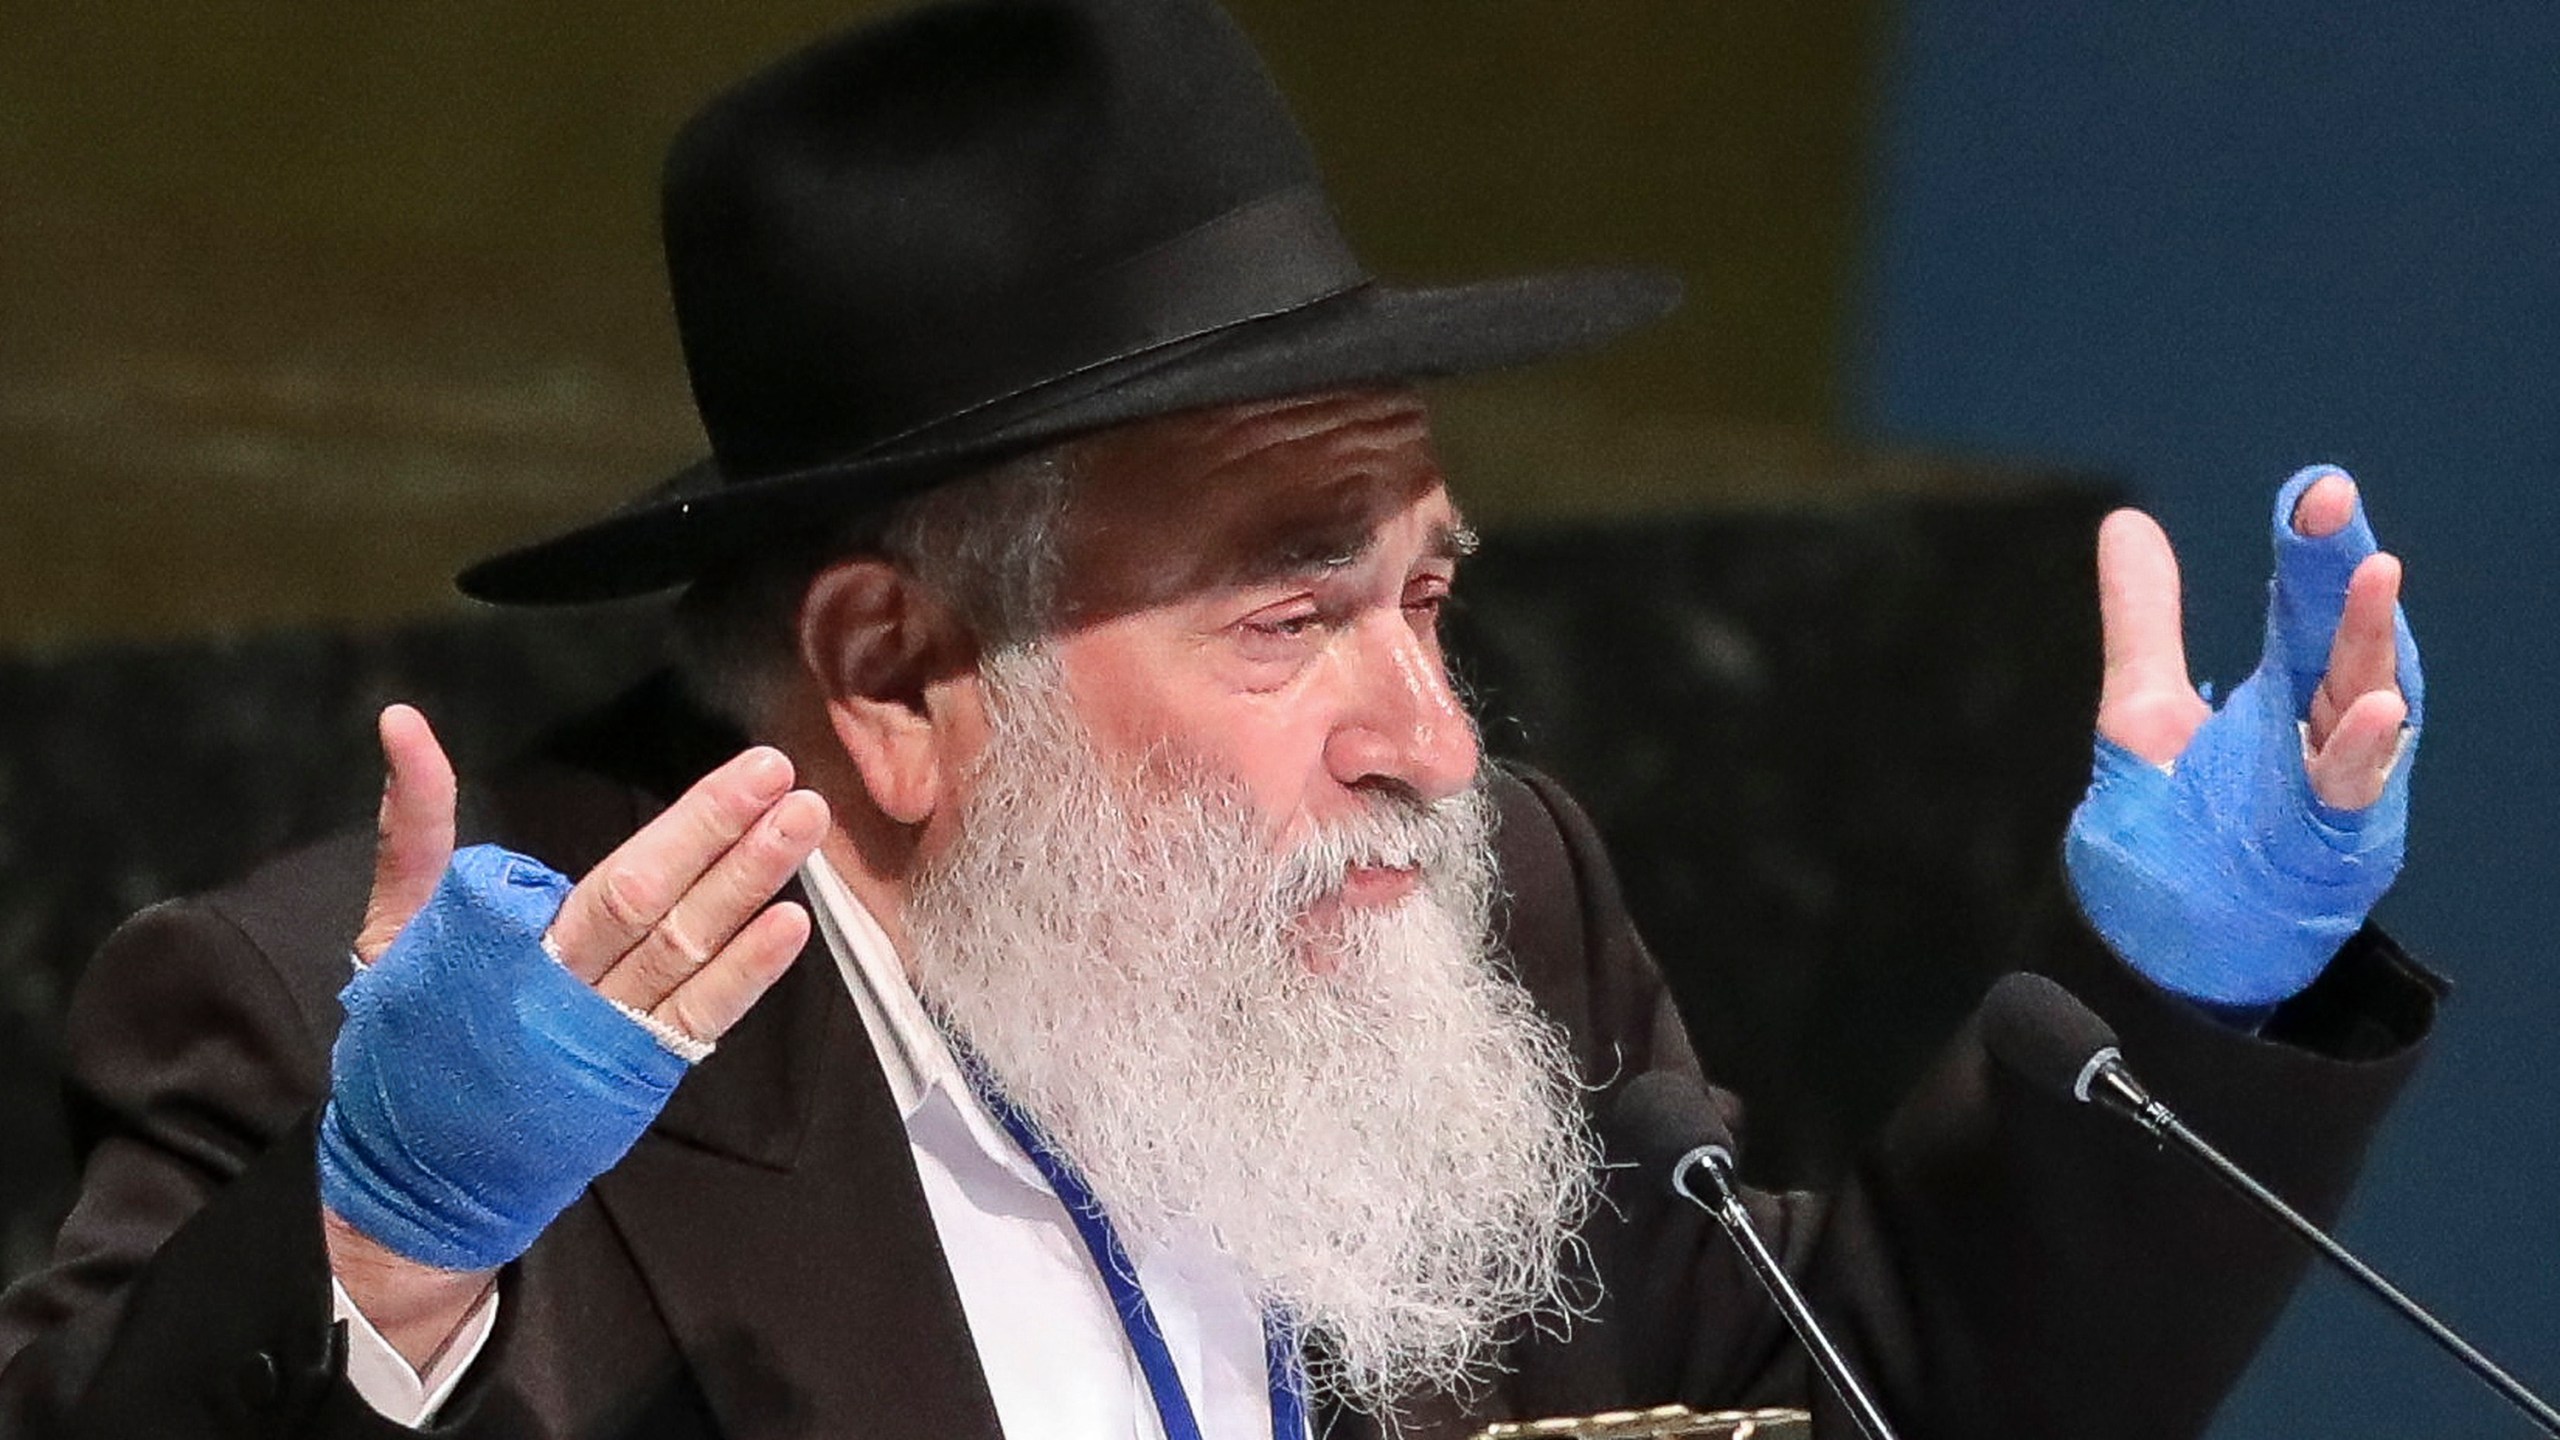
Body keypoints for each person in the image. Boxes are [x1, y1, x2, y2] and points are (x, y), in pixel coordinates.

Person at [0, 0, 2439, 1436]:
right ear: (893, 673)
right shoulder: (391, 1044)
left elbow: (1872, 1386)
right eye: (1290, 616)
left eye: (1429, 587)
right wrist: (378, 1266)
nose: (1437, 743)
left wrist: (2197, 1012)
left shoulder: (1472, 911)